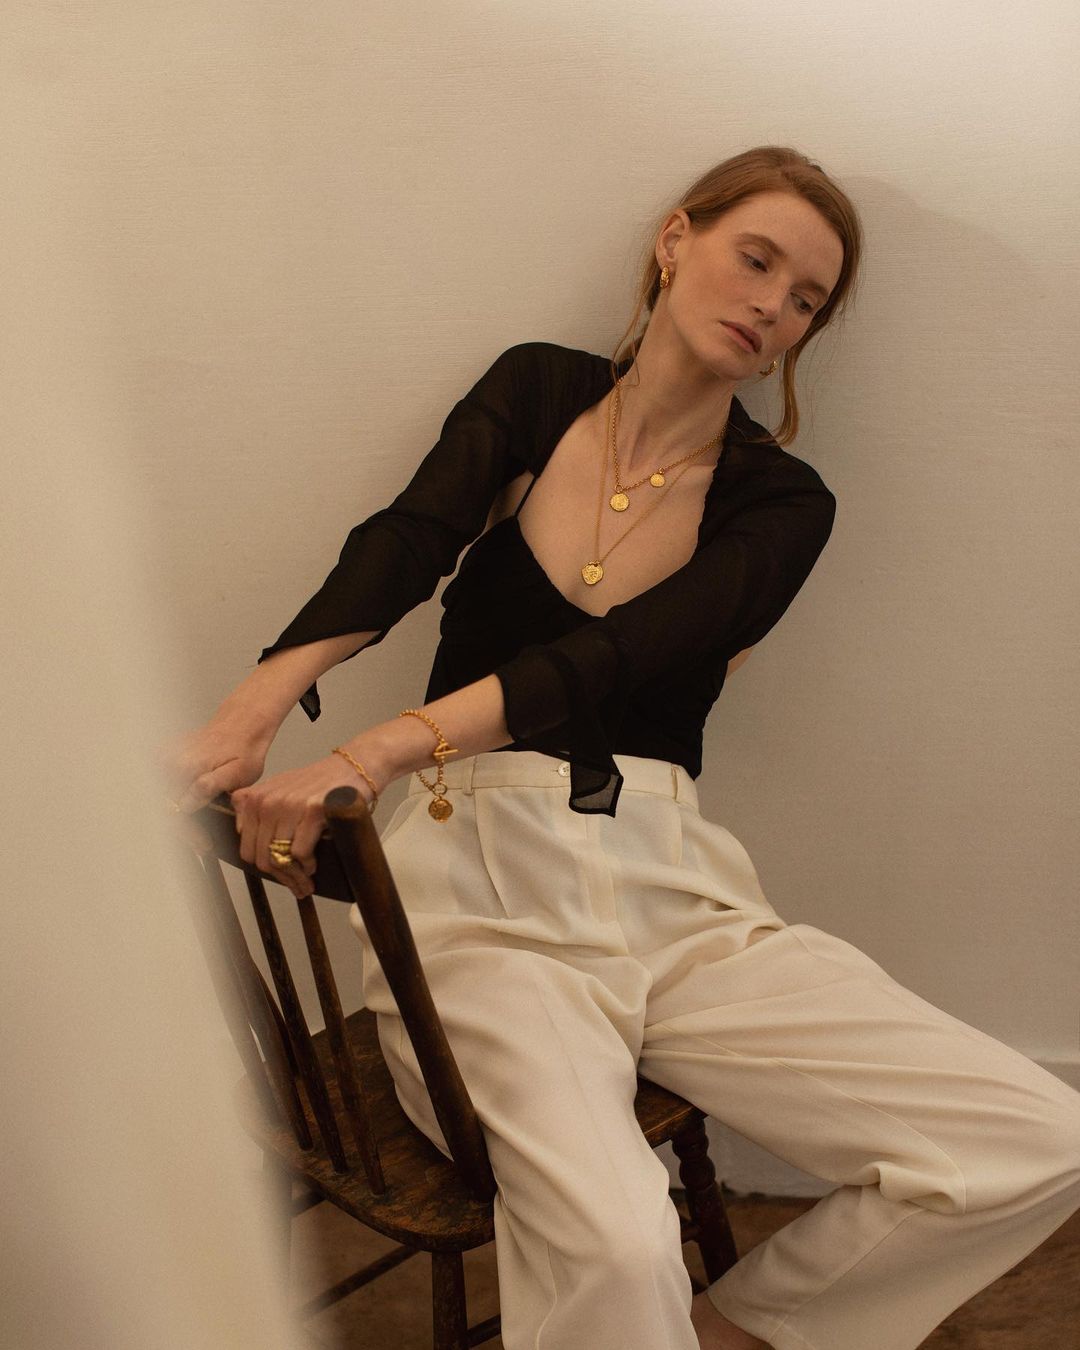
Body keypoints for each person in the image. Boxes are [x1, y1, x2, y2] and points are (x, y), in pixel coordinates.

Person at [160, 146, 1080, 1350]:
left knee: (1032, 1138)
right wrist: (247, 715)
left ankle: (737, 1333)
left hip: (670, 890)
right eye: (757, 259)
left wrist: (376, 749)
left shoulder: (782, 503)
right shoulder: (539, 389)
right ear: (675, 239)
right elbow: (407, 540)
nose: (772, 305)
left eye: (805, 299)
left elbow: (608, 662)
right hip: (475, 892)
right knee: (614, 1241)